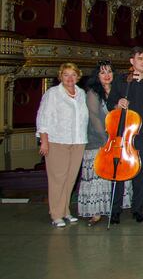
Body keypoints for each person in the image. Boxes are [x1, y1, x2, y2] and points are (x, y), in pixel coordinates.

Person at [107, 46, 143, 223]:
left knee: (140, 171)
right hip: (123, 132)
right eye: (140, 58)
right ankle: (115, 210)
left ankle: (137, 208)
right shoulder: (122, 80)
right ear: (132, 61)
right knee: (119, 172)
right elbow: (110, 104)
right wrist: (117, 103)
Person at [78, 61, 131, 226]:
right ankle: (95, 212)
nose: (107, 75)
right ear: (97, 76)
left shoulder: (118, 91)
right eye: (102, 73)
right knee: (98, 177)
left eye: (109, 72)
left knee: (112, 177)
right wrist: (107, 141)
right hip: (98, 141)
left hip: (117, 139)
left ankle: (111, 208)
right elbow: (95, 119)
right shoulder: (93, 93)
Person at [36, 63, 88, 228]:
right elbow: (43, 117)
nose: (70, 78)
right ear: (60, 76)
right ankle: (56, 214)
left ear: (78, 76)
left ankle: (65, 211)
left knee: (70, 179)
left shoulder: (81, 93)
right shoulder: (53, 94)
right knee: (58, 179)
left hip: (78, 141)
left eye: (73, 74)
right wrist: (44, 140)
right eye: (66, 74)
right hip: (57, 140)